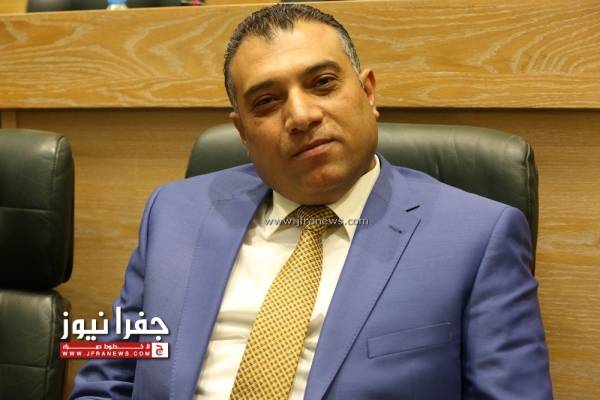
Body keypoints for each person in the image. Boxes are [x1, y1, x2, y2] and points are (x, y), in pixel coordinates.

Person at [71, 4, 552, 399]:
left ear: (367, 92)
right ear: (242, 132)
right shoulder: (173, 213)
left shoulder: (477, 237)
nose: (300, 116)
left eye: (322, 83)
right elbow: (108, 378)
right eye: (266, 102)